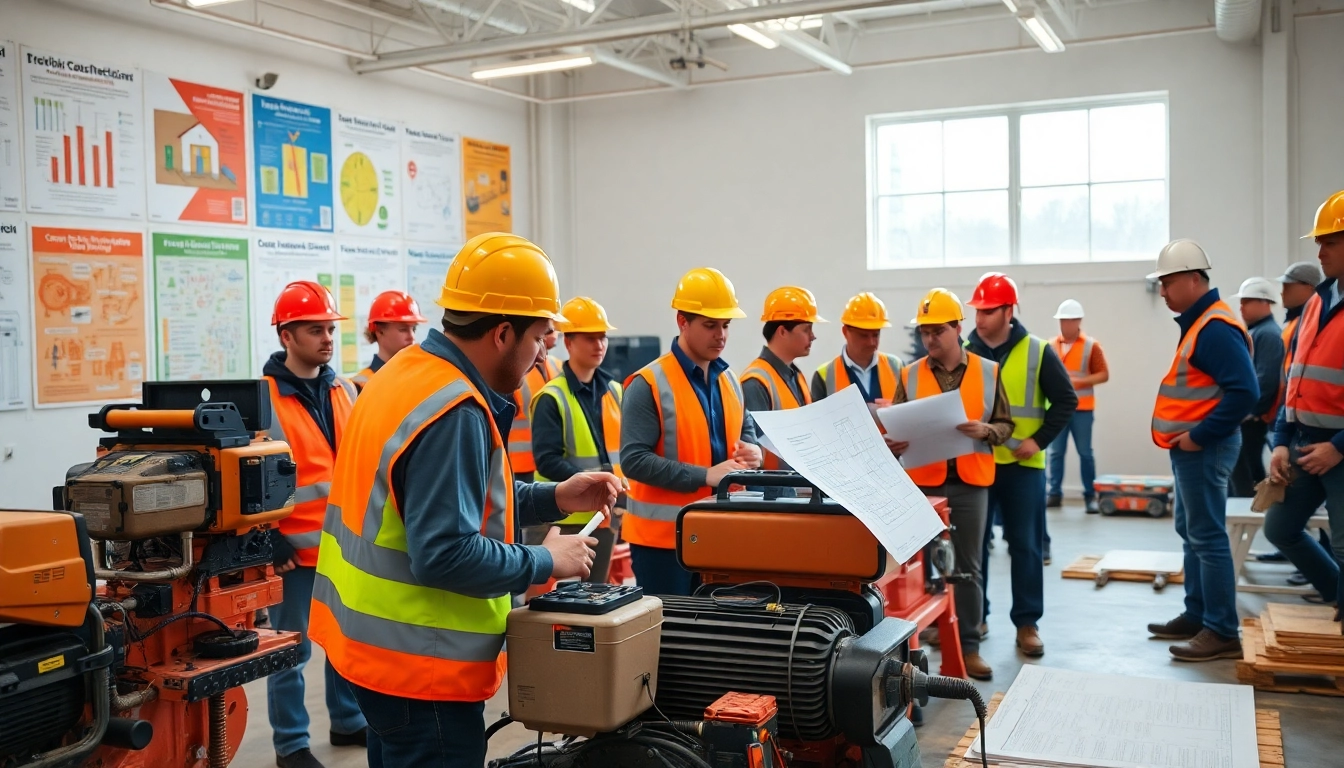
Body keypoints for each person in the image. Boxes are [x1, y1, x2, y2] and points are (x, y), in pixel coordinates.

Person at [309, 233, 620, 768]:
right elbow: (446, 551)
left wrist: (553, 497)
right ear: (502, 333)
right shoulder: (455, 410)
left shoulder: (403, 374)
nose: (543, 353)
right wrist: (550, 560)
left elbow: (450, 502)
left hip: (372, 658)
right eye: (541, 338)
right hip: (423, 670)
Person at [261, 280, 366, 768]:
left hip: (342, 546)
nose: (327, 338)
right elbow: (243, 479)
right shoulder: (260, 398)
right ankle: (291, 746)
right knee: (291, 652)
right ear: (286, 335)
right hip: (291, 552)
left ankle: (347, 723)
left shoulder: (343, 388)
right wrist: (266, 538)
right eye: (315, 329)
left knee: (342, 642)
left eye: (329, 328)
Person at [887, 289, 1015, 681]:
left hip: (971, 482)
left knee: (969, 568)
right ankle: (923, 644)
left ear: (958, 328)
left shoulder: (989, 371)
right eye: (925, 332)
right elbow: (891, 427)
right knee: (922, 568)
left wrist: (988, 430)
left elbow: (1007, 426)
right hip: (923, 486)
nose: (930, 339)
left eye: (938, 331)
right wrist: (893, 442)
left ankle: (970, 646)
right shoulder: (909, 375)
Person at [1146, 239, 1258, 661]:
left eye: (1168, 283)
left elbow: (1245, 392)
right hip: (1193, 450)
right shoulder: (1200, 323)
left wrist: (1199, 436)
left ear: (1194, 280)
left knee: (1208, 537)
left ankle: (1222, 630)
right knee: (1192, 533)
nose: (1162, 292)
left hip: (1204, 449)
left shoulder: (1213, 327)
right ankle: (1198, 614)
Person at [621, 267, 762, 596]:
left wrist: (754, 455)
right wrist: (705, 475)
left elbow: (747, 433)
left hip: (721, 534)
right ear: (682, 322)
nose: (721, 335)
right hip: (662, 544)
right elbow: (634, 460)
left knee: (713, 637)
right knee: (672, 640)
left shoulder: (730, 381)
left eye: (726, 325)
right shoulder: (648, 384)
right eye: (710, 325)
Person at [966, 272, 1077, 658]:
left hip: (1022, 466)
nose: (980, 317)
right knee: (972, 547)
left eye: (989, 310)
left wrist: (1039, 440)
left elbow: (1067, 401)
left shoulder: (1038, 351)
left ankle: (1027, 624)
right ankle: (974, 619)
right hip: (976, 465)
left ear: (1009, 310)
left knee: (1026, 546)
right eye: (977, 309)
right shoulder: (964, 352)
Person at [1265, 190, 1344, 621]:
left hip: (1339, 451)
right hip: (1302, 444)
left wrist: (1339, 447)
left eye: (1330, 241)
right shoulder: (1316, 303)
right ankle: (1337, 594)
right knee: (1280, 529)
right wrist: (1281, 442)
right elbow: (1295, 382)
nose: (1320, 250)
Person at [529, 296, 624, 583]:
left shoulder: (616, 391)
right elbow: (547, 461)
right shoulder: (551, 396)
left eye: (603, 337)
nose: (600, 345)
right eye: (590, 338)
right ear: (569, 343)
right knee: (546, 602)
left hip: (603, 513)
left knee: (595, 597)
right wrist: (592, 480)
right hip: (558, 518)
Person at [1258, 261, 1326, 569]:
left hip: (1319, 432)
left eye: (1289, 285)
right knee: (1282, 522)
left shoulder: (1306, 322)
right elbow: (1292, 380)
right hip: (1290, 422)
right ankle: (1308, 561)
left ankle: (1324, 564)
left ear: (1310, 289)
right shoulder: (1294, 324)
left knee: (1327, 518)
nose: (1282, 291)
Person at [742, 286, 823, 468]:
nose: (813, 336)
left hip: (797, 488)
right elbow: (754, 452)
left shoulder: (796, 376)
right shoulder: (755, 382)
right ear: (782, 332)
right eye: (806, 329)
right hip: (773, 492)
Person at [1046, 299, 1109, 514]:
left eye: (1069, 321)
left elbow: (1103, 374)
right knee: (1055, 453)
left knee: (1085, 453)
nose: (1065, 325)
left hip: (1082, 409)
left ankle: (1090, 497)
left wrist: (1077, 382)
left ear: (1078, 321)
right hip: (1057, 409)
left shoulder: (1092, 346)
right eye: (1062, 321)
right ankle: (1054, 494)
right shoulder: (1050, 346)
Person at [1228, 277, 1285, 498]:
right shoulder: (1257, 332)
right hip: (1248, 416)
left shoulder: (1267, 334)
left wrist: (1246, 412)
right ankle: (1253, 514)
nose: (1241, 307)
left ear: (1264, 303)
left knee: (1246, 474)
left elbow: (1265, 381)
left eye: (1247, 301)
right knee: (1247, 470)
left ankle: (1249, 516)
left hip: (1252, 419)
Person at [810, 292, 903, 403]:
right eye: (863, 336)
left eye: (876, 335)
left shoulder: (896, 366)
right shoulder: (824, 375)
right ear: (845, 332)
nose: (871, 342)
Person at [510, 321, 562, 482]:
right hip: (516, 467)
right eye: (550, 328)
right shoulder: (511, 369)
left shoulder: (557, 365)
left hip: (550, 465)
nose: (555, 332)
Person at [352, 290, 428, 390]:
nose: (412, 336)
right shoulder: (359, 385)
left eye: (414, 329)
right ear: (379, 331)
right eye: (403, 329)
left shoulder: (421, 377)